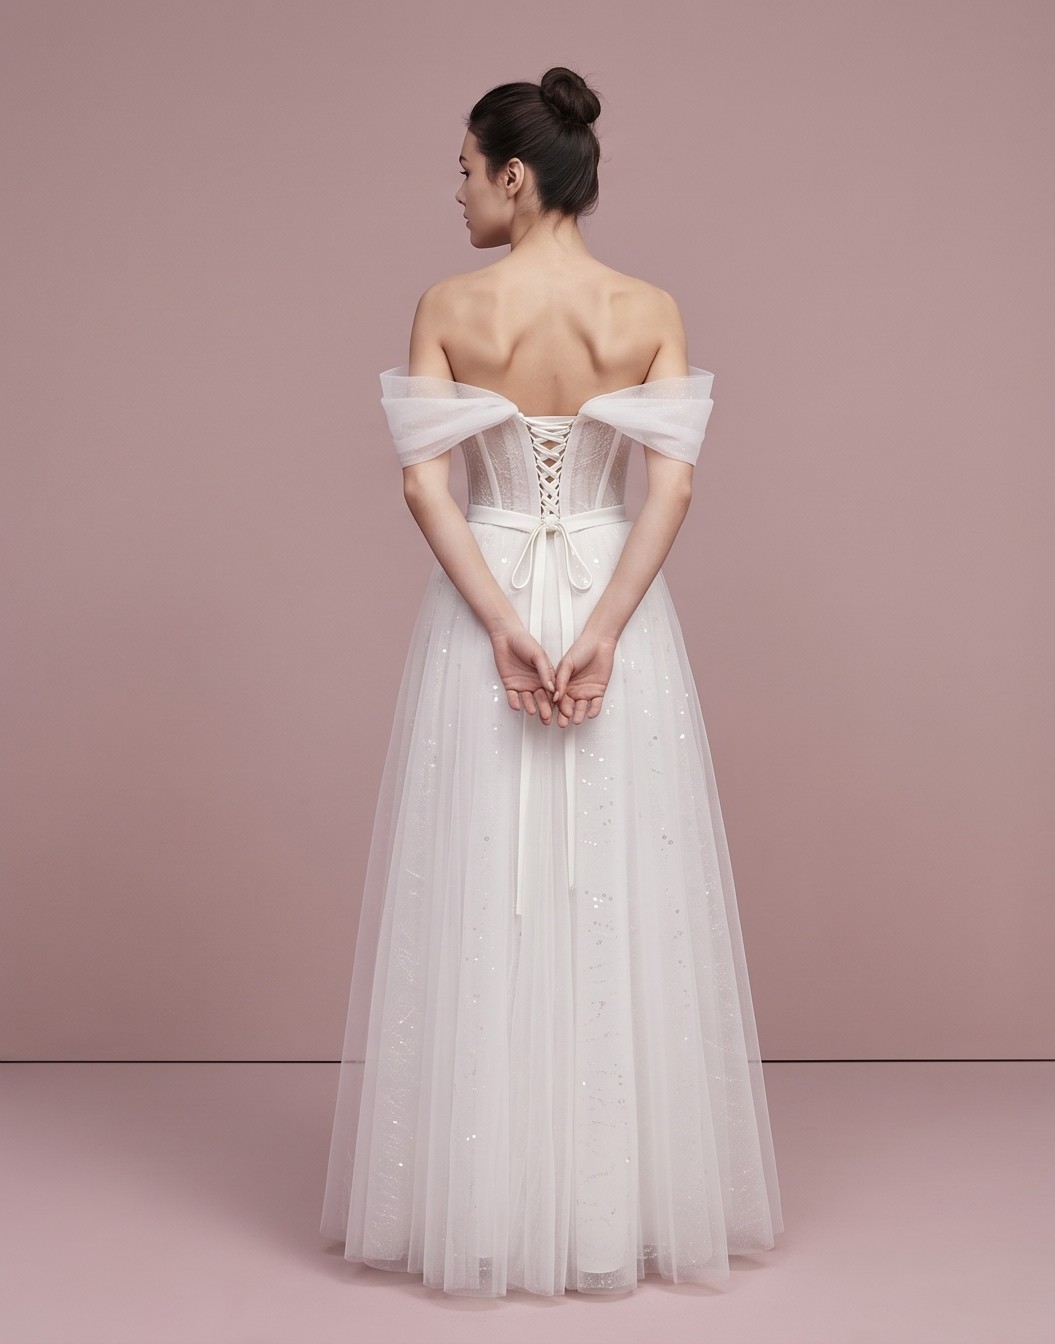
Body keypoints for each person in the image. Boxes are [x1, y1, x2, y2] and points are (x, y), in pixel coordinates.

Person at [320, 65, 783, 1298]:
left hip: (487, 606)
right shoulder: (646, 309)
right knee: (615, 885)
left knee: (483, 885)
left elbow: (424, 485)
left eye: (464, 171)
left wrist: (499, 623)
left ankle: (484, 1202)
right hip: (605, 598)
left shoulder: (449, 306)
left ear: (514, 175)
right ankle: (606, 1206)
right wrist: (605, 629)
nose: (456, 193)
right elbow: (670, 486)